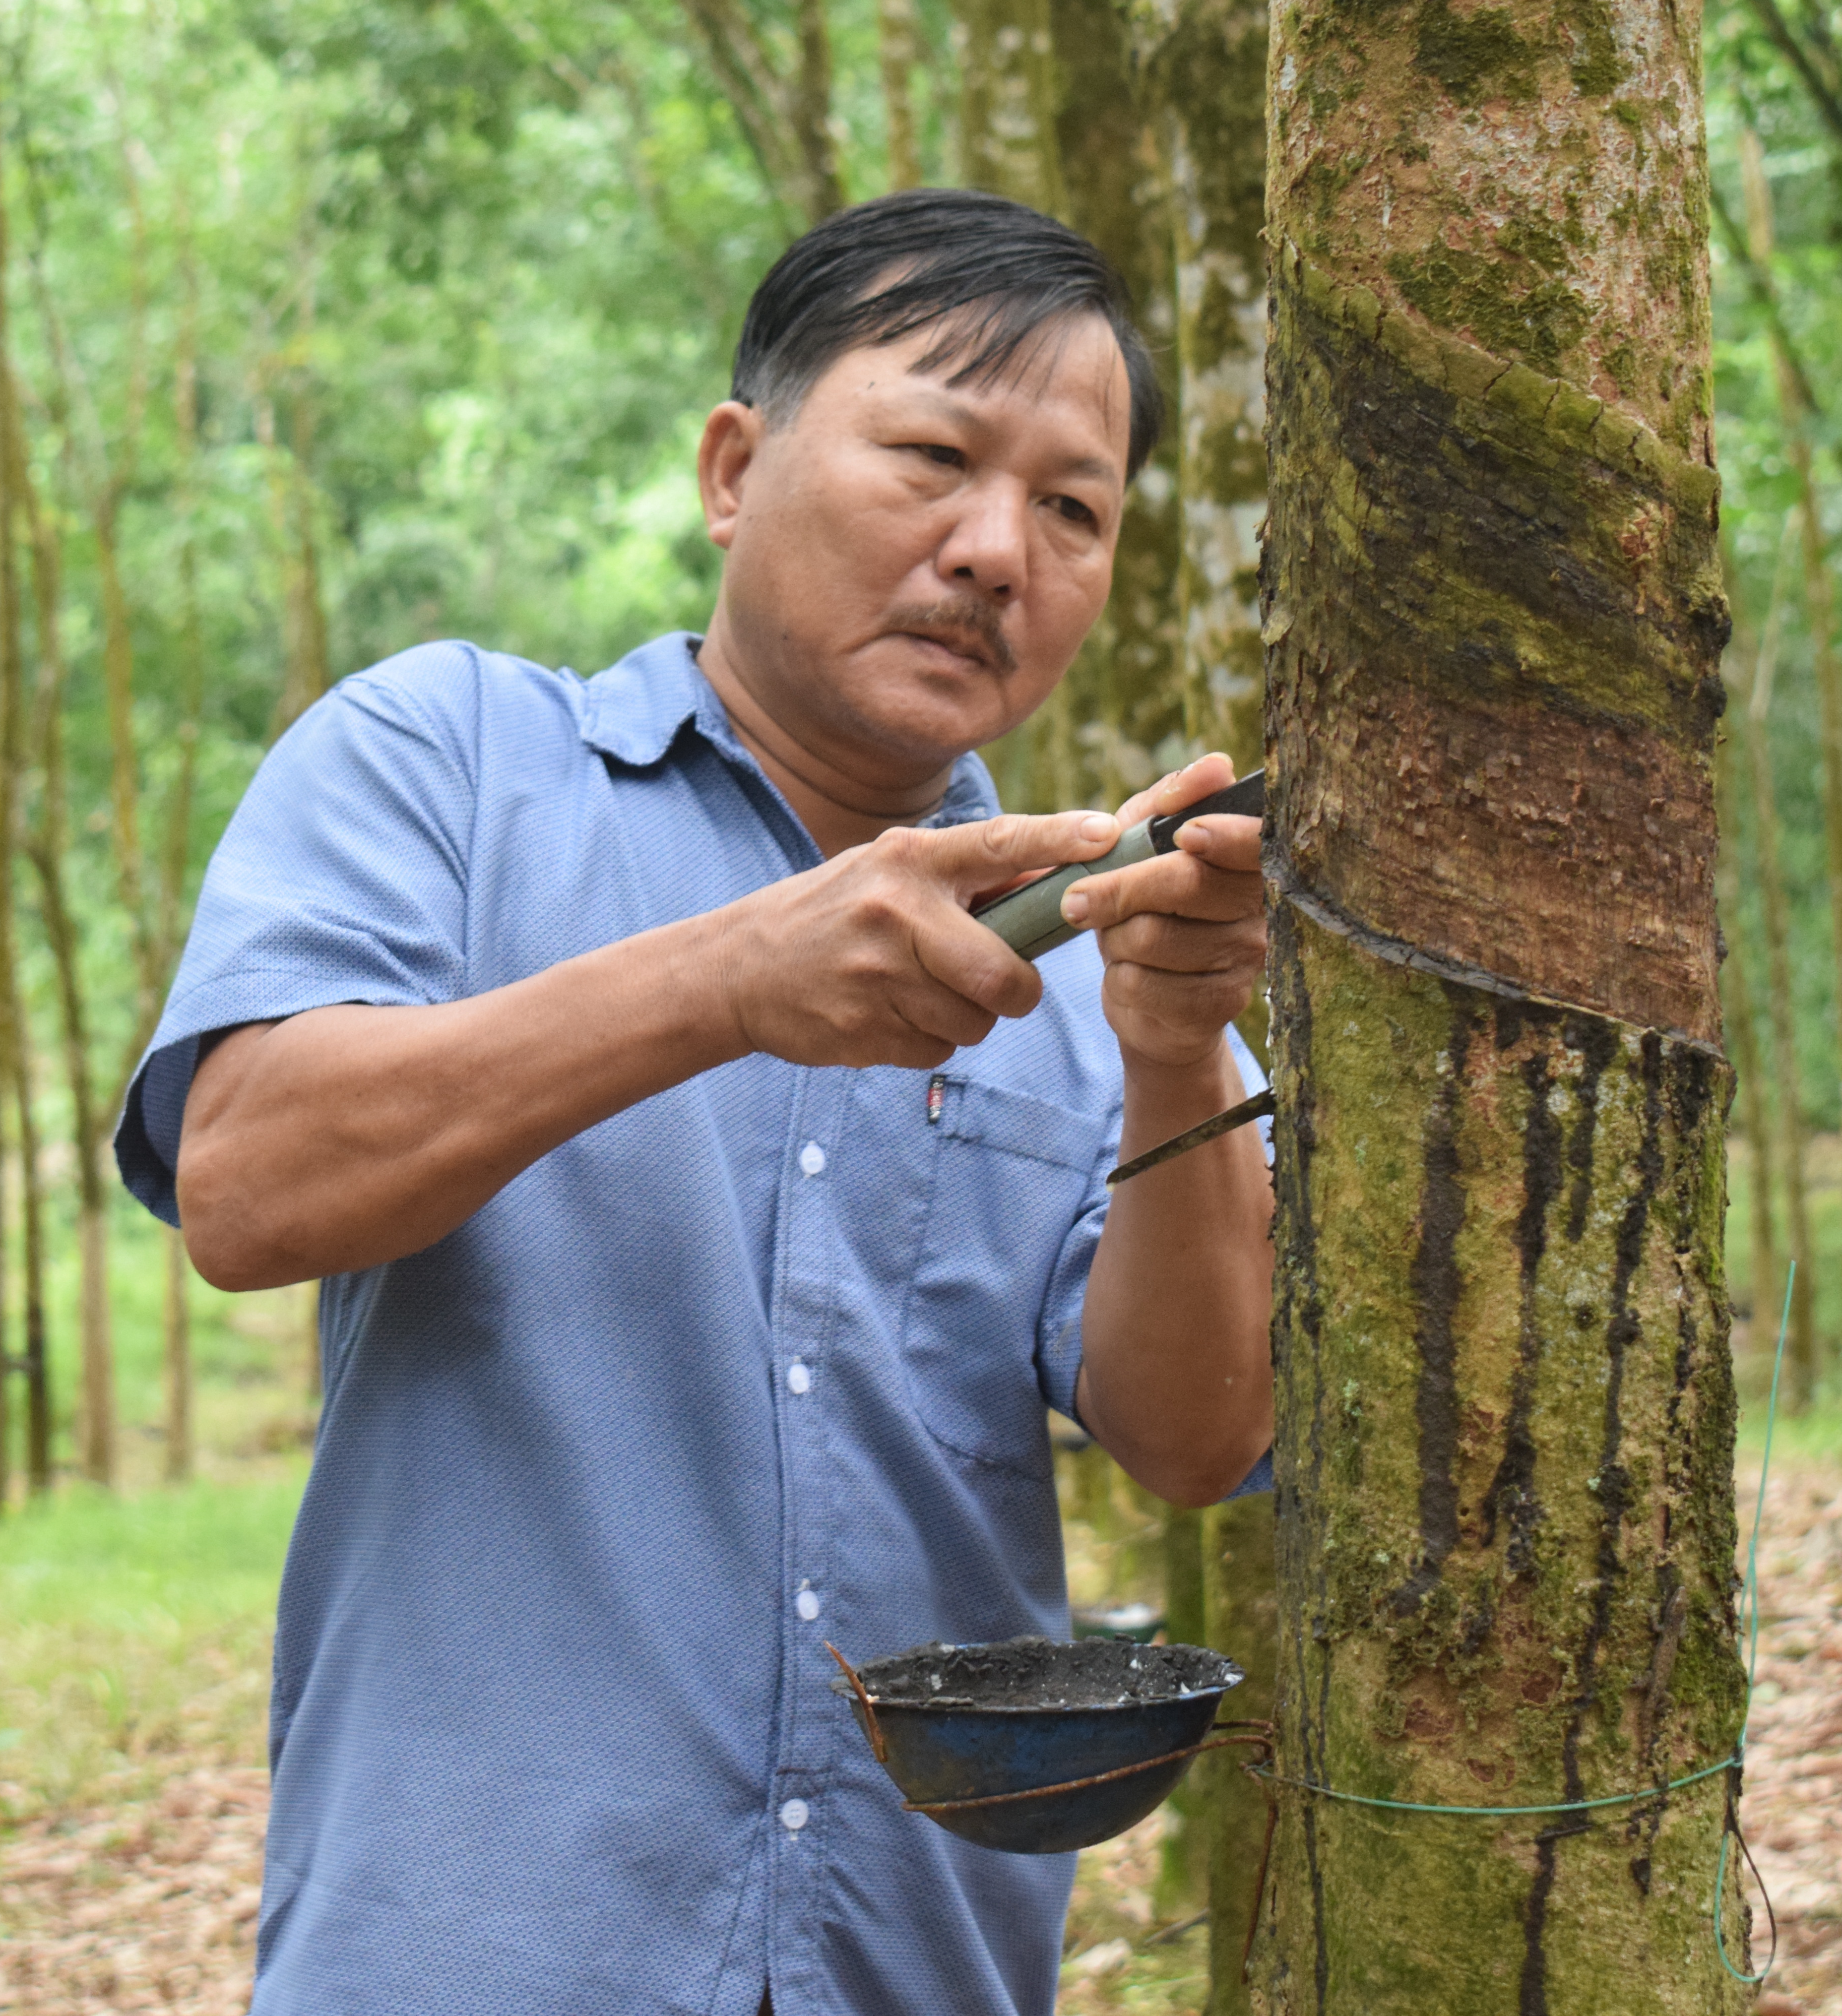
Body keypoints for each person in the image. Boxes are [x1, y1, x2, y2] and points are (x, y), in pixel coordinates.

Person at [114, 186, 1274, 2016]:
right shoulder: (446, 763)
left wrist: (1176, 1048)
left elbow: (1197, 1436)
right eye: (932, 455)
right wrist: (726, 983)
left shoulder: (1089, 956)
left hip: (917, 1968)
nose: (995, 551)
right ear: (736, 468)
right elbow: (250, 1182)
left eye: (1074, 509)